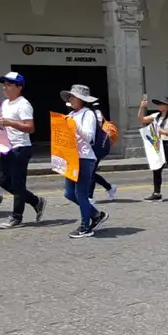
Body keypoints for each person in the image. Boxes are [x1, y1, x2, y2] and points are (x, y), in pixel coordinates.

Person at [0, 71, 47, 230]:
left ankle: (16, 217)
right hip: (7, 147)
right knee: (3, 182)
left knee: (18, 184)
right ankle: (35, 201)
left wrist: (9, 122)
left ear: (19, 87)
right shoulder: (4, 103)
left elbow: (30, 127)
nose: (5, 87)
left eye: (9, 84)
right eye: (4, 84)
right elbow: (3, 124)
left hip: (21, 148)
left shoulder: (23, 104)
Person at [60, 85, 109, 238]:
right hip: (72, 157)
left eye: (73, 97)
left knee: (80, 193)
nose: (70, 99)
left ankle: (85, 227)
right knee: (69, 193)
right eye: (70, 96)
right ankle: (96, 214)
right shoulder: (72, 114)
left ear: (81, 99)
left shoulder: (88, 114)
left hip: (85, 157)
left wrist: (73, 126)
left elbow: (88, 137)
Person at [88, 100, 117, 203]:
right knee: (90, 172)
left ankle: (89, 197)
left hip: (97, 146)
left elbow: (96, 129)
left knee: (90, 172)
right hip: (89, 147)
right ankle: (109, 187)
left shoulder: (95, 113)